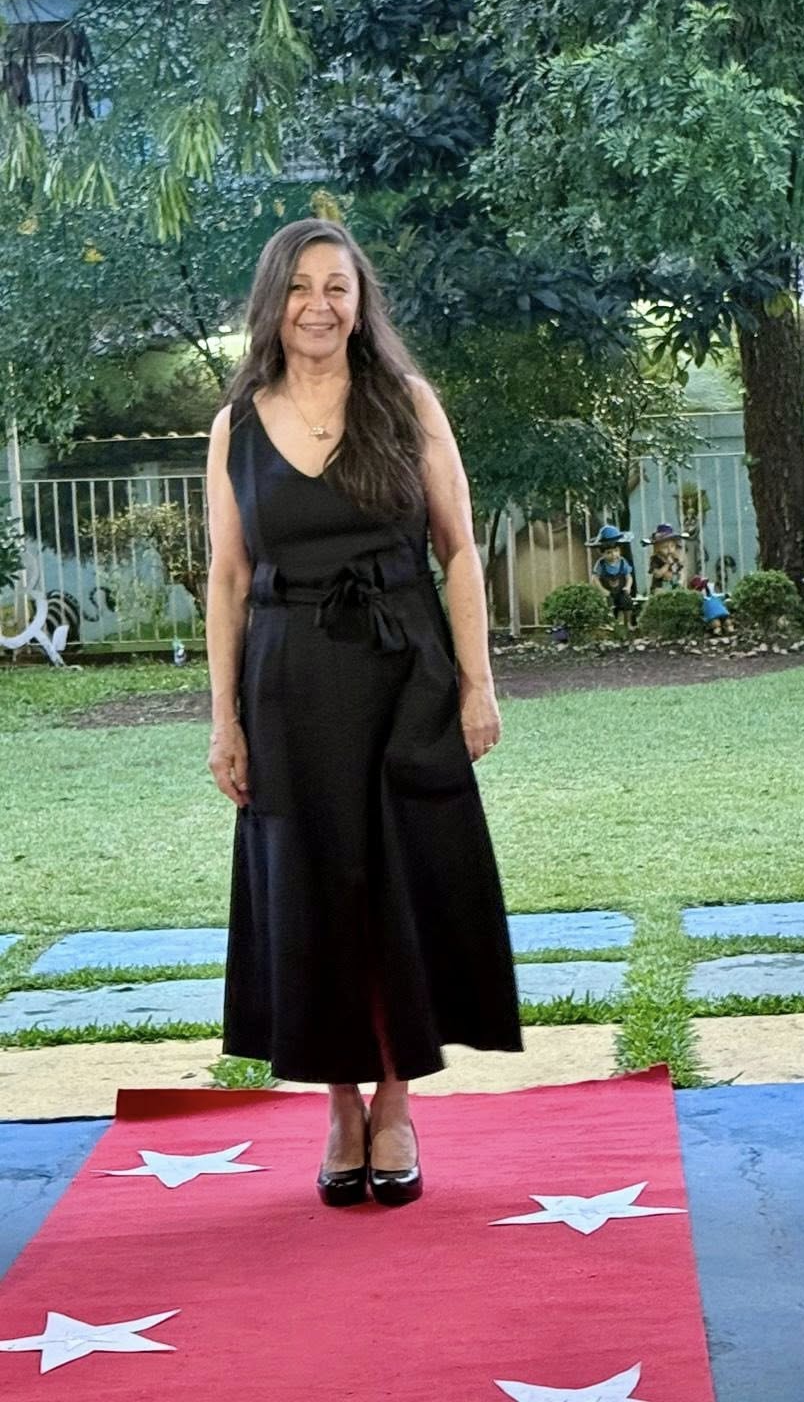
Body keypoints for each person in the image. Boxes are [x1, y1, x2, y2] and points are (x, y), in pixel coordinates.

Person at [205, 218, 523, 1210]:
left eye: (336, 287)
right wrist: (224, 720)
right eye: (300, 287)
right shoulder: (235, 425)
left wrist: (477, 682)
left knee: (402, 884)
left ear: (359, 301)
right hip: (288, 686)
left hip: (404, 676)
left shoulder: (406, 402)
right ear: (273, 302)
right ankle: (340, 1104)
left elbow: (458, 549)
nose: (319, 305)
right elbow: (228, 578)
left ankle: (395, 1102)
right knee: (313, 892)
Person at [587, 524, 636, 627]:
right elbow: (595, 578)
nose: (614, 555)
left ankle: (627, 624)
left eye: (616, 551)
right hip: (608, 592)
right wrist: (602, 590)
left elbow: (628, 576)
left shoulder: (622, 562)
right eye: (609, 552)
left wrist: (627, 587)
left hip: (621, 591)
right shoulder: (601, 564)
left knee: (627, 603)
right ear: (602, 553)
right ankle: (610, 625)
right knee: (607, 606)